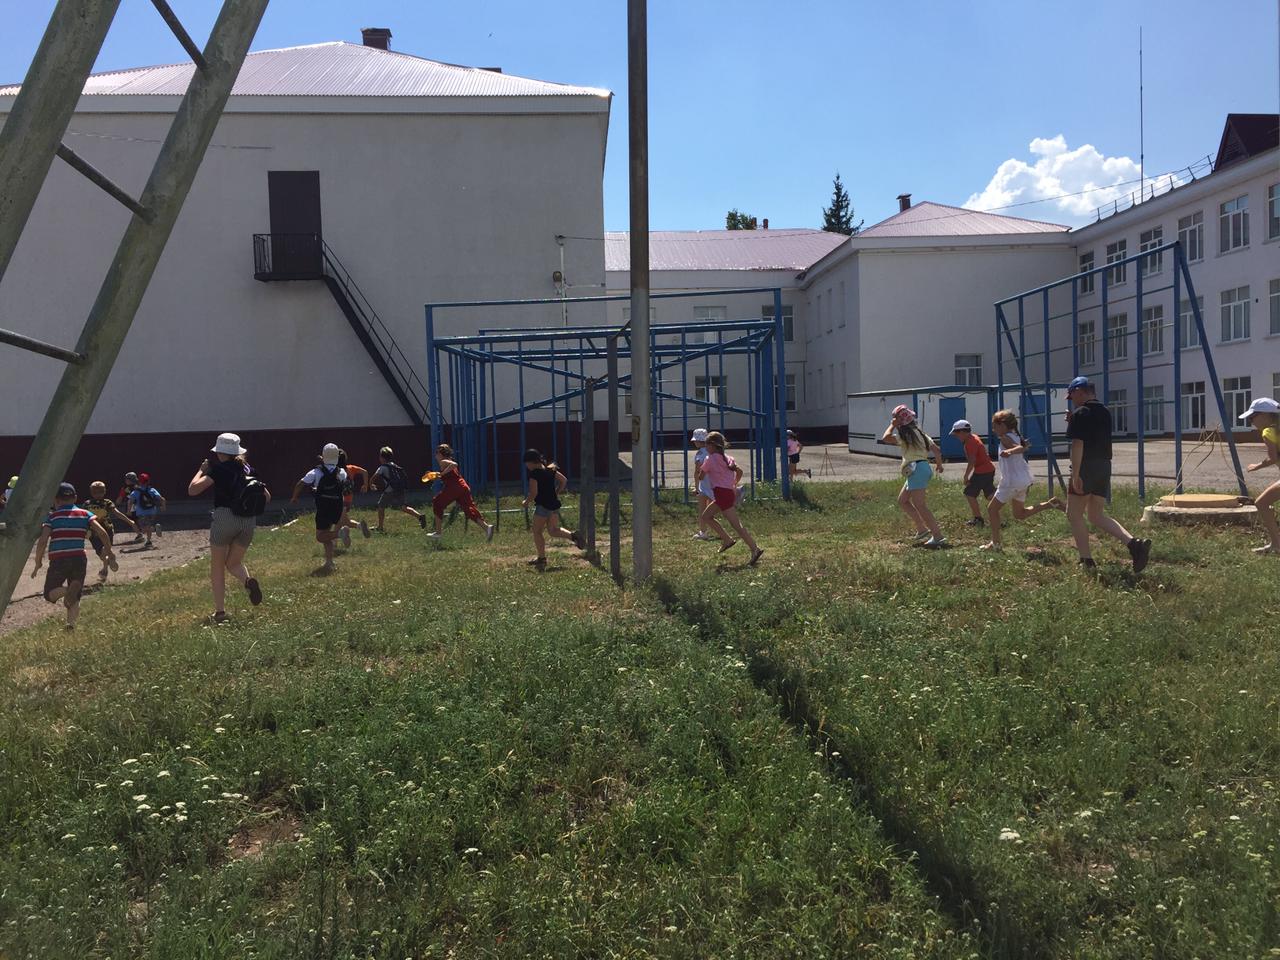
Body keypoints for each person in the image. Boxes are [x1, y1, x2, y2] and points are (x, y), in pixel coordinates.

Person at [1064, 376, 1151, 571]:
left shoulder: (1080, 413)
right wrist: (1073, 421)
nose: (1072, 400)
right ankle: (1134, 544)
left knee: (1074, 514)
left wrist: (1075, 474)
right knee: (1095, 515)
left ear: (1079, 391)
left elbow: (1078, 444)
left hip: (1085, 467)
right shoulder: (1104, 412)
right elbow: (1093, 433)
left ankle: (1086, 560)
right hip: (1104, 467)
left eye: (1072, 396)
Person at [188, 432, 267, 622]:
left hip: (225, 518)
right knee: (233, 563)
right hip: (248, 521)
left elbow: (193, 490)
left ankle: (220, 612)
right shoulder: (248, 469)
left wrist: (201, 470)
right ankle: (247, 581)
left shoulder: (219, 469)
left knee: (217, 567)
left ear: (219, 452)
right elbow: (267, 496)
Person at [30, 482, 113, 630]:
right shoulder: (85, 514)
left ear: (55, 500)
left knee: (49, 593)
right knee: (75, 597)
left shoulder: (52, 517)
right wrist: (109, 551)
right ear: (75, 498)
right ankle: (71, 625)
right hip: (79, 558)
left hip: (58, 559)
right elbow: (102, 532)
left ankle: (67, 591)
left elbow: (43, 541)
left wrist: (38, 562)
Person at [979, 410, 1064, 552]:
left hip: (1012, 482)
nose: (993, 429)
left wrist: (1010, 451)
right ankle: (1050, 504)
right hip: (1022, 480)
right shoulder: (1016, 436)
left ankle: (996, 544)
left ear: (1003, 425)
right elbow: (1022, 446)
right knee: (1020, 514)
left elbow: (1019, 448)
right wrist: (1017, 449)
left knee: (992, 509)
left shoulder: (1005, 438)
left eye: (995, 426)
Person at [881, 405, 945, 548]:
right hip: (921, 468)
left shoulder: (905, 436)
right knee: (903, 500)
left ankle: (937, 535)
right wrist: (939, 465)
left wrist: (892, 425)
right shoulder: (921, 434)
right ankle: (921, 529)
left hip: (916, 470)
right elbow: (937, 450)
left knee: (920, 505)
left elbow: (886, 438)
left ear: (899, 422)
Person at [699, 431, 763, 565]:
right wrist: (733, 484)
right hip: (726, 493)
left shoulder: (709, 459)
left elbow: (701, 476)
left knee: (736, 525)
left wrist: (703, 471)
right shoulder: (728, 458)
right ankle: (728, 540)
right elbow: (739, 471)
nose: (705, 447)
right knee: (706, 516)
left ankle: (754, 548)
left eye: (706, 444)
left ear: (712, 445)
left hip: (722, 495)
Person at [521, 448, 583, 568]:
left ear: (531, 462)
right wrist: (557, 492)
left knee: (537, 531)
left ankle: (541, 559)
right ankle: (574, 536)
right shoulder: (550, 469)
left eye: (527, 464)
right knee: (553, 530)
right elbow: (564, 480)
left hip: (543, 506)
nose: (527, 466)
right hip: (554, 504)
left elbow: (533, 493)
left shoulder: (534, 474)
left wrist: (526, 502)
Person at [291, 443, 347, 573]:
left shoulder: (316, 472)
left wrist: (294, 497)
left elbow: (300, 483)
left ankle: (340, 534)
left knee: (320, 536)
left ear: (323, 456)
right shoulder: (341, 472)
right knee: (326, 534)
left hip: (323, 508)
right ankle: (329, 562)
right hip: (337, 507)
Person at [427, 444, 495, 542]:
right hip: (463, 487)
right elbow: (450, 474)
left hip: (455, 488)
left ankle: (438, 532)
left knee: (437, 502)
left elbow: (454, 464)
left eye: (436, 453)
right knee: (469, 510)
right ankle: (487, 528)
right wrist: (437, 475)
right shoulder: (446, 461)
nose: (435, 456)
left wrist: (441, 474)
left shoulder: (443, 461)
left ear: (441, 454)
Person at [1240, 397, 1280, 555]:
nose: (1251, 422)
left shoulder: (1268, 432)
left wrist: (1256, 466)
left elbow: (1272, 458)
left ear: (1264, 415)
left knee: (1262, 503)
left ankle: (1276, 545)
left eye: (1252, 417)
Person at [83, 480, 135, 580]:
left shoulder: (89, 504)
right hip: (100, 531)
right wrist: (130, 521)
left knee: (101, 551)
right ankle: (108, 562)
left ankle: (105, 569)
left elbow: (117, 513)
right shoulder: (104, 503)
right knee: (104, 550)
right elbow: (117, 513)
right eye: (96, 492)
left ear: (104, 492)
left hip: (98, 531)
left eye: (100, 492)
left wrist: (129, 521)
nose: (98, 494)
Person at [950, 419, 996, 527]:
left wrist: (966, 476)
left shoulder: (970, 442)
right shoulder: (973, 437)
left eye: (956, 433)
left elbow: (972, 461)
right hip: (988, 469)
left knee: (969, 493)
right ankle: (999, 514)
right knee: (990, 494)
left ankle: (978, 519)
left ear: (962, 432)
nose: (956, 436)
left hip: (982, 471)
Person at [372, 446, 426, 532]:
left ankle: (380, 527)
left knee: (381, 506)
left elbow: (374, 477)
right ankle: (420, 516)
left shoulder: (382, 467)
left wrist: (371, 484)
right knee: (404, 507)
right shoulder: (394, 465)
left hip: (389, 491)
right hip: (399, 489)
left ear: (382, 458)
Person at [335, 449, 371, 548]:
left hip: (338, 500)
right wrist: (365, 485)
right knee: (344, 521)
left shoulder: (335, 472)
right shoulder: (350, 468)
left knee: (338, 521)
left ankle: (336, 540)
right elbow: (365, 472)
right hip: (348, 500)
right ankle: (360, 526)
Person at [128, 472, 165, 548]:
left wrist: (129, 511)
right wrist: (163, 507)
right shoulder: (152, 490)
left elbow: (130, 501)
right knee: (148, 525)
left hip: (141, 513)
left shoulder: (136, 491)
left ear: (139, 481)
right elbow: (162, 499)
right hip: (152, 511)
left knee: (143, 529)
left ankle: (154, 528)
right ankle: (148, 541)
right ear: (148, 481)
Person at [691, 428, 714, 540]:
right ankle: (717, 529)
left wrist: (696, 487)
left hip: (703, 484)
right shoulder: (712, 451)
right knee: (712, 509)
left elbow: (697, 471)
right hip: (714, 483)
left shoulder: (700, 454)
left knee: (702, 509)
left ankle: (703, 531)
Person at [118, 472, 141, 541]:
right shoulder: (139, 486)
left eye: (127, 479)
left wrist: (117, 503)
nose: (125, 480)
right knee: (140, 520)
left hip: (131, 506)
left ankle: (139, 534)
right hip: (141, 505)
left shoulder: (125, 488)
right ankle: (149, 529)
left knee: (132, 521)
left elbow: (120, 498)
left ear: (130, 480)